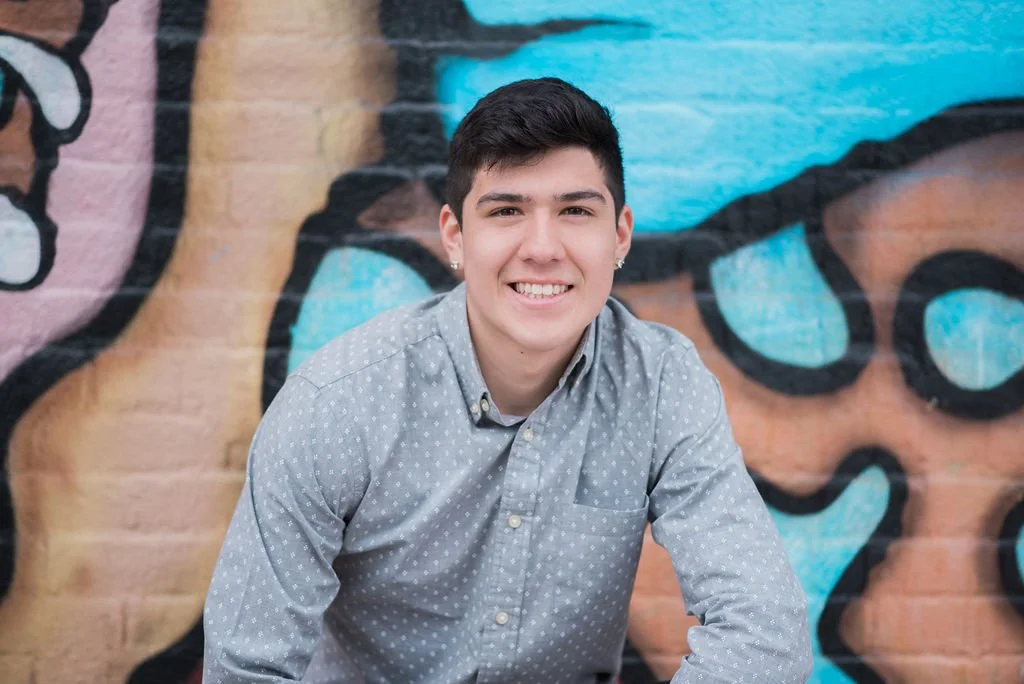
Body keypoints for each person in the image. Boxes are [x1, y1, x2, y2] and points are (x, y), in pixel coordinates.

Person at [203, 77, 812, 683]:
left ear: (619, 235)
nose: (543, 247)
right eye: (506, 212)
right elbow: (246, 666)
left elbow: (764, 630)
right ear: (455, 237)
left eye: (576, 211)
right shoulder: (338, 404)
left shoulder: (660, 386)